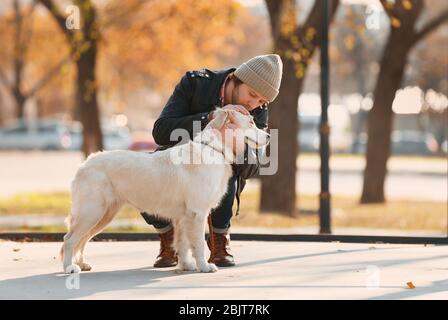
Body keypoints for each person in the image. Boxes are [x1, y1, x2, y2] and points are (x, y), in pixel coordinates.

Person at [141, 54, 283, 268]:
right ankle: (168, 239)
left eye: (262, 101)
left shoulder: (258, 109)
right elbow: (161, 131)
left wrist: (238, 147)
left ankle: (219, 239)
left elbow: (254, 166)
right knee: (142, 176)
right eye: (252, 94)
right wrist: (210, 119)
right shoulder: (196, 83)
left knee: (225, 170)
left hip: (216, 173)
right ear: (236, 79)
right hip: (177, 164)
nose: (254, 104)